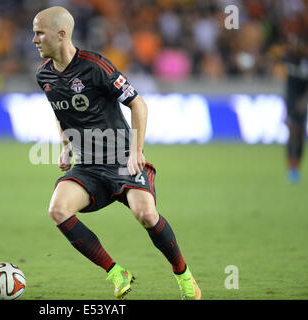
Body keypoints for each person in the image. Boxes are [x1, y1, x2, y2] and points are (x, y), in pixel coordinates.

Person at [33, 6, 201, 300]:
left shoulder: (96, 65)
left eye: (39, 33)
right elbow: (60, 112)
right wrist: (65, 146)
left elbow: (139, 104)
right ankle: (115, 272)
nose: (33, 39)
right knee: (57, 210)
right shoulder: (44, 75)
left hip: (122, 159)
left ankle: (183, 274)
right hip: (87, 166)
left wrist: (137, 151)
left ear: (61, 35)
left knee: (146, 215)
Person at [283, 35, 307, 184]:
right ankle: (292, 169)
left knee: (300, 135)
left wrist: (304, 101)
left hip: (302, 104)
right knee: (293, 133)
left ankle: (297, 168)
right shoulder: (290, 61)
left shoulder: (305, 65)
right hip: (291, 103)